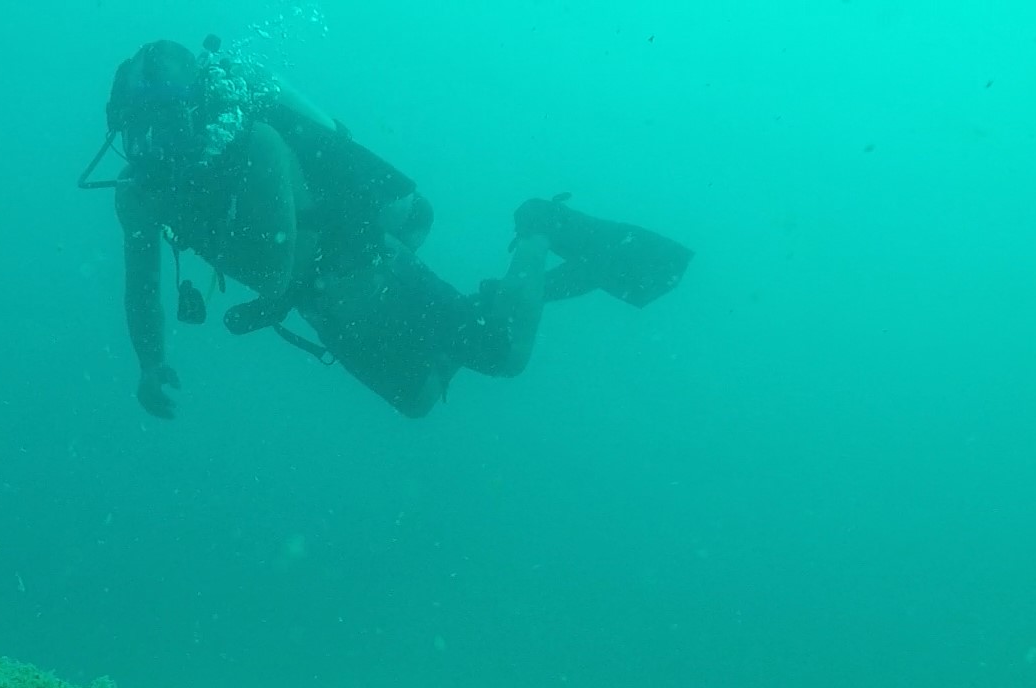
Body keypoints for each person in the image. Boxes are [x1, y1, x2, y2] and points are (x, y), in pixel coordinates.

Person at [81, 37, 695, 420]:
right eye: (141, 134)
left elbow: (274, 264)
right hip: (316, 300)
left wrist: (259, 305)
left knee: (505, 354)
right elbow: (140, 282)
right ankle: (502, 300)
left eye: (168, 126)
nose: (157, 150)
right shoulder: (140, 194)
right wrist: (148, 360)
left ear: (196, 112)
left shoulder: (256, 144)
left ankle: (540, 227)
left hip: (366, 270)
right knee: (422, 397)